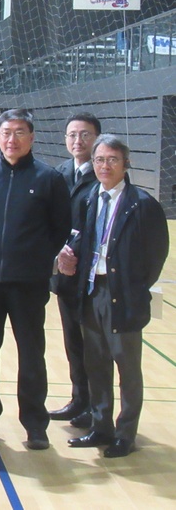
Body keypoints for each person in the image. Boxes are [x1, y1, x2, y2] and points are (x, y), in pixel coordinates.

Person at [59, 135, 168, 458]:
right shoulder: (91, 197)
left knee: (127, 368)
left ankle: (125, 433)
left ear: (126, 163)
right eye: (99, 160)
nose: (104, 166)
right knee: (96, 365)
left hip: (123, 296)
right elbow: (81, 239)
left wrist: (132, 288)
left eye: (112, 160)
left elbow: (155, 256)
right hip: (92, 292)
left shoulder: (142, 204)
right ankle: (100, 425)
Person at [0, 109, 71, 450]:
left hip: (28, 285)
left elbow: (59, 229)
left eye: (19, 133)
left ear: (32, 137)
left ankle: (35, 424)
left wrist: (35, 262)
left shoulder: (49, 179)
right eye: (6, 133)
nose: (12, 139)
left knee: (31, 353)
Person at [47, 113, 101, 427]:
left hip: (92, 277)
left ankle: (98, 406)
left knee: (95, 344)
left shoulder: (105, 173)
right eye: (72, 135)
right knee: (73, 342)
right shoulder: (59, 174)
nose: (77, 141)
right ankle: (79, 399)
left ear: (97, 138)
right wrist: (57, 254)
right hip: (64, 276)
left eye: (85, 135)